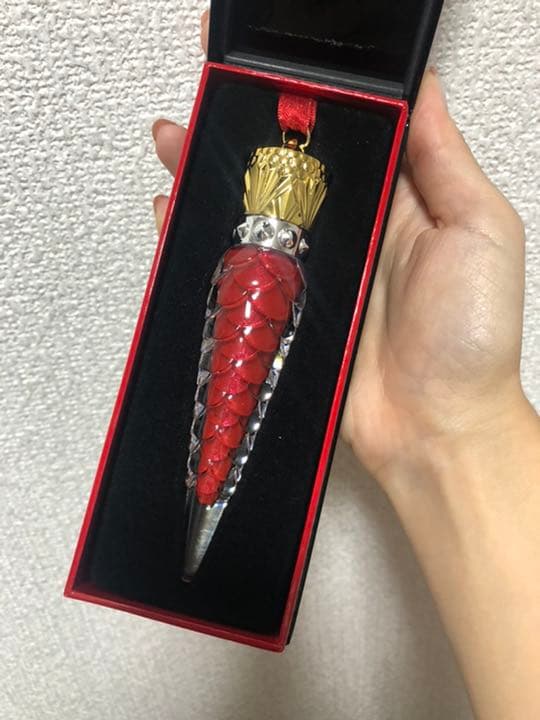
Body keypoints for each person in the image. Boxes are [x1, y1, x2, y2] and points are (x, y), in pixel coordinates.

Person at [151, 11, 540, 720]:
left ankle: (203, 512)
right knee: (225, 405)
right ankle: (198, 512)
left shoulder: (274, 274)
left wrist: (465, 419)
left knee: (238, 405)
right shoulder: (268, 270)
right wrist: (462, 429)